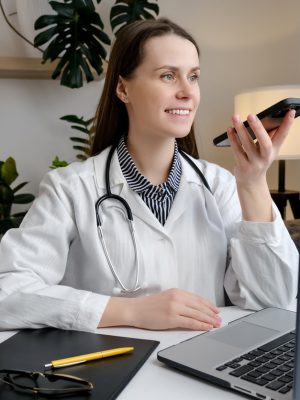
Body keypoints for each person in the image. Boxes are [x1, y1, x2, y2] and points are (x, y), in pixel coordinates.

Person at [0, 18, 298, 333]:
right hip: (111, 372)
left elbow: (275, 302)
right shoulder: (71, 189)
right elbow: (7, 289)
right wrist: (131, 311)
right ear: (123, 88)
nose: (187, 92)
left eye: (193, 77)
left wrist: (252, 182)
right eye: (168, 75)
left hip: (203, 370)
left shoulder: (221, 186)